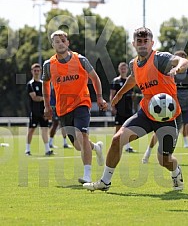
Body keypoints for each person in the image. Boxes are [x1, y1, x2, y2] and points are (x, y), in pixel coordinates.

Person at [83, 27, 188, 192]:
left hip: (169, 117)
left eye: (145, 41)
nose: (142, 45)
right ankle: (105, 181)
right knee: (117, 140)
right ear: (133, 44)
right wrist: (119, 95)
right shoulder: (134, 64)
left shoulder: (160, 58)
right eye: (139, 41)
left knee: (164, 160)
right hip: (146, 113)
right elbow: (133, 79)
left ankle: (176, 172)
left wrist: (179, 68)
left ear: (151, 43)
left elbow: (183, 61)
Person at [42, 29, 108, 184]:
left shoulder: (80, 60)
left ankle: (87, 175)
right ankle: (96, 148)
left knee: (82, 135)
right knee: (79, 145)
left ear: (68, 42)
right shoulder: (48, 65)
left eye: (63, 40)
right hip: (63, 109)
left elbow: (95, 78)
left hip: (81, 104)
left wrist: (99, 98)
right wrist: (47, 106)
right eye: (57, 41)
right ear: (53, 45)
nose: (60, 43)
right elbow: (45, 84)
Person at [142, 50, 188, 166]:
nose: (180, 59)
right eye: (178, 57)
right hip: (170, 109)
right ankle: (147, 153)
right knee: (159, 132)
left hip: (187, 108)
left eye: (183, 57)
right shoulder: (168, 72)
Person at [25, 63, 53, 156]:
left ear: (41, 71)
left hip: (43, 111)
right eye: (35, 70)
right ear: (32, 71)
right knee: (31, 130)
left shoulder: (43, 83)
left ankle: (47, 149)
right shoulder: (31, 84)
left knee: (45, 129)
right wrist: (44, 98)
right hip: (34, 111)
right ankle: (27, 149)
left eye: (38, 70)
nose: (36, 72)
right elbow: (34, 97)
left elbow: (48, 95)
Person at [110, 62, 136, 153]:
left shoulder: (131, 80)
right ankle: (114, 144)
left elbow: (132, 95)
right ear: (119, 70)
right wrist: (112, 106)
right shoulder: (116, 81)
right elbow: (112, 95)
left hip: (128, 109)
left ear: (127, 70)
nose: (123, 70)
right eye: (121, 68)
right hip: (119, 109)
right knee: (118, 127)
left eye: (125, 68)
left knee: (128, 128)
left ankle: (127, 146)